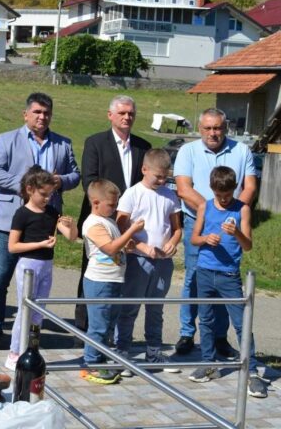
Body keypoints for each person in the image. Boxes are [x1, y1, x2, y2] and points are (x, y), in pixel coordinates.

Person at [0, 92, 80, 350]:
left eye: (46, 112)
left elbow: (75, 175)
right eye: (37, 112)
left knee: (37, 280)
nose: (42, 117)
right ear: (25, 114)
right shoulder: (7, 140)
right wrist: (27, 187)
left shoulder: (63, 144)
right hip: (10, 220)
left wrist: (62, 181)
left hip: (44, 223)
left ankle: (32, 333)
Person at [173, 108, 256, 357]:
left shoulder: (241, 150)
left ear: (225, 128)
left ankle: (220, 337)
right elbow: (183, 188)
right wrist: (209, 212)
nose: (213, 133)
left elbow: (249, 186)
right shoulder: (188, 151)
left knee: (224, 279)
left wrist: (232, 213)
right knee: (195, 278)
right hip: (196, 221)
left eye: (218, 128)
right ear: (200, 129)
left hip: (231, 224)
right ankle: (187, 333)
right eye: (208, 128)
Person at [187, 166, 267, 398]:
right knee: (206, 319)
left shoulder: (242, 209)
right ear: (212, 189)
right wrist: (204, 238)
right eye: (219, 195)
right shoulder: (205, 206)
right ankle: (208, 363)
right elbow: (193, 239)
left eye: (228, 194)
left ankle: (251, 372)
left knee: (242, 323)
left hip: (229, 274)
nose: (223, 199)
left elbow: (248, 245)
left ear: (235, 189)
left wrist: (236, 234)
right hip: (205, 270)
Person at [75, 95, 150, 332]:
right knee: (93, 273)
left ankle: (114, 333)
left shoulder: (143, 147)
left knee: (121, 274)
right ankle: (84, 328)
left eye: (131, 113)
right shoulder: (95, 143)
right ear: (110, 115)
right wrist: (111, 209)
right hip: (102, 220)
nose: (127, 117)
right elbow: (89, 181)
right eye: (122, 113)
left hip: (130, 222)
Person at [114, 149, 182, 374]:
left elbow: (177, 227)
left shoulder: (170, 195)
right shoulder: (132, 194)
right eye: (158, 177)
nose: (162, 181)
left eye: (165, 177)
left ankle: (154, 353)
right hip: (137, 260)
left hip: (162, 262)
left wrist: (173, 241)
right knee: (129, 308)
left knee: (156, 309)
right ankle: (122, 354)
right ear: (144, 169)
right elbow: (121, 226)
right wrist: (142, 247)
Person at [5, 166, 78, 371]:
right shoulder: (22, 214)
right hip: (28, 265)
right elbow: (13, 246)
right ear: (30, 189)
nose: (47, 198)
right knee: (25, 310)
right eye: (44, 194)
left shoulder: (52, 212)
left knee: (39, 311)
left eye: (51, 194)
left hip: (46, 265)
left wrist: (70, 225)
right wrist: (40, 244)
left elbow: (71, 237)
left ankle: (32, 348)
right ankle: (14, 352)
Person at [80, 179, 143, 385]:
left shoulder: (109, 221)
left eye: (116, 204)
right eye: (111, 205)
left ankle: (101, 357)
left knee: (108, 324)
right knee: (98, 325)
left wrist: (129, 245)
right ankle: (91, 363)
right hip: (100, 281)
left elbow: (118, 246)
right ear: (96, 202)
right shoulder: (93, 223)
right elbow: (109, 249)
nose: (115, 209)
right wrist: (131, 231)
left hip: (114, 279)